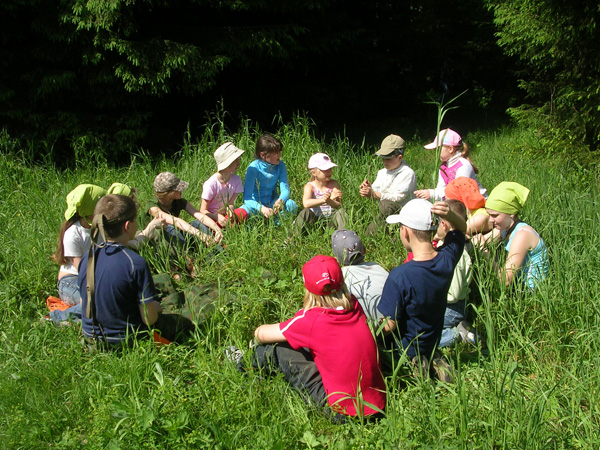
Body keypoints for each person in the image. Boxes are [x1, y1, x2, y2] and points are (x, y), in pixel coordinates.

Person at [252, 255, 386, 419]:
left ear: (307, 289)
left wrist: (257, 333)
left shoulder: (312, 320)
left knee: (278, 348)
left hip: (341, 411)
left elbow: (262, 333)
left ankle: (243, 365)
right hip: (377, 403)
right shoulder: (355, 305)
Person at [80, 194, 194, 346]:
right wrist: (156, 307)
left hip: (91, 338)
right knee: (187, 319)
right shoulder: (135, 263)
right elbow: (149, 319)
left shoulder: (88, 257)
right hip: (127, 340)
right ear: (128, 226)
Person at [377, 199, 466, 380]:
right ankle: (432, 360)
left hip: (403, 348)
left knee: (375, 347)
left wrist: (370, 332)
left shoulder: (399, 276)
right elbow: (461, 229)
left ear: (406, 232)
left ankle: (413, 366)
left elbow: (389, 325)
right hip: (431, 342)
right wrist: (449, 215)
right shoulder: (446, 261)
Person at [50, 184, 107, 323]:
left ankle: (73, 323)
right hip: (71, 282)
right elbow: (82, 270)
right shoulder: (73, 234)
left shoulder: (99, 228)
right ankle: (57, 317)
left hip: (93, 277)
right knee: (96, 302)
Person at [480, 182, 549, 288]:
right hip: (518, 286)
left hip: (529, 292)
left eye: (494, 215)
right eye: (489, 215)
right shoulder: (504, 229)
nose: (490, 220)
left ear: (511, 213)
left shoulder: (522, 235)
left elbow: (506, 280)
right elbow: (481, 241)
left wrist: (485, 254)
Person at [434, 199, 476, 348]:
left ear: (444, 225)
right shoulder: (446, 245)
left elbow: (454, 294)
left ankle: (457, 334)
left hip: (452, 307)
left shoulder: (456, 257)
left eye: (438, 223)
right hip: (446, 305)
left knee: (426, 334)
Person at [146, 172, 223, 247]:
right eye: (177, 189)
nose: (181, 191)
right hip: (157, 239)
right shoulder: (153, 206)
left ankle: (215, 248)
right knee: (171, 228)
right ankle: (186, 255)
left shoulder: (179, 201)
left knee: (198, 223)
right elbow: (175, 221)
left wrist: (217, 229)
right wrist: (201, 235)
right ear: (167, 193)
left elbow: (199, 215)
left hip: (177, 234)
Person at [359, 134, 417, 234]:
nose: (385, 162)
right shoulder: (382, 172)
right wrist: (368, 188)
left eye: (388, 159)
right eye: (383, 158)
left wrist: (376, 195)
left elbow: (399, 197)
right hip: (383, 209)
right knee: (380, 207)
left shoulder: (408, 173)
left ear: (400, 157)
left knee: (386, 205)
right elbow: (376, 189)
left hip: (401, 211)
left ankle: (368, 235)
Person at [331, 229, 388, 324]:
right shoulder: (379, 269)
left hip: (363, 331)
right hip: (390, 327)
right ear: (364, 250)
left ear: (336, 260)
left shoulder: (340, 279)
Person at [414, 129, 486, 201]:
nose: (435, 152)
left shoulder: (463, 166)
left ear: (450, 149)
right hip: (459, 203)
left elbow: (458, 191)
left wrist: (432, 194)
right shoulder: (443, 167)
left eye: (438, 148)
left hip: (478, 205)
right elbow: (441, 188)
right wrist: (429, 194)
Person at [241, 134, 297, 219]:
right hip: (256, 205)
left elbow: (285, 189)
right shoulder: (253, 168)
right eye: (275, 153)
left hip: (272, 203)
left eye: (279, 152)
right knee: (243, 212)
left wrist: (280, 201)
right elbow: (247, 198)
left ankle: (277, 223)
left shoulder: (281, 165)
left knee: (291, 205)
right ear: (262, 155)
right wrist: (261, 208)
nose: (279, 155)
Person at [293, 153, 347, 234]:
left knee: (342, 212)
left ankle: (345, 237)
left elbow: (339, 204)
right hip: (314, 221)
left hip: (330, 221)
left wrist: (330, 201)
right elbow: (306, 203)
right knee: (305, 212)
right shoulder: (310, 186)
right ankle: (293, 237)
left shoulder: (334, 184)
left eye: (330, 169)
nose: (329, 172)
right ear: (314, 173)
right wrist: (324, 200)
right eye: (325, 170)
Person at [200, 142, 248, 227]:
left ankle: (228, 228)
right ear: (227, 162)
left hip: (226, 216)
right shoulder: (211, 184)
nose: (239, 164)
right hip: (212, 217)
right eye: (235, 161)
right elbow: (203, 210)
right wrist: (216, 216)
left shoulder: (237, 180)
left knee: (242, 212)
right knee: (206, 225)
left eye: (239, 160)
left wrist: (230, 209)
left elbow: (231, 203)